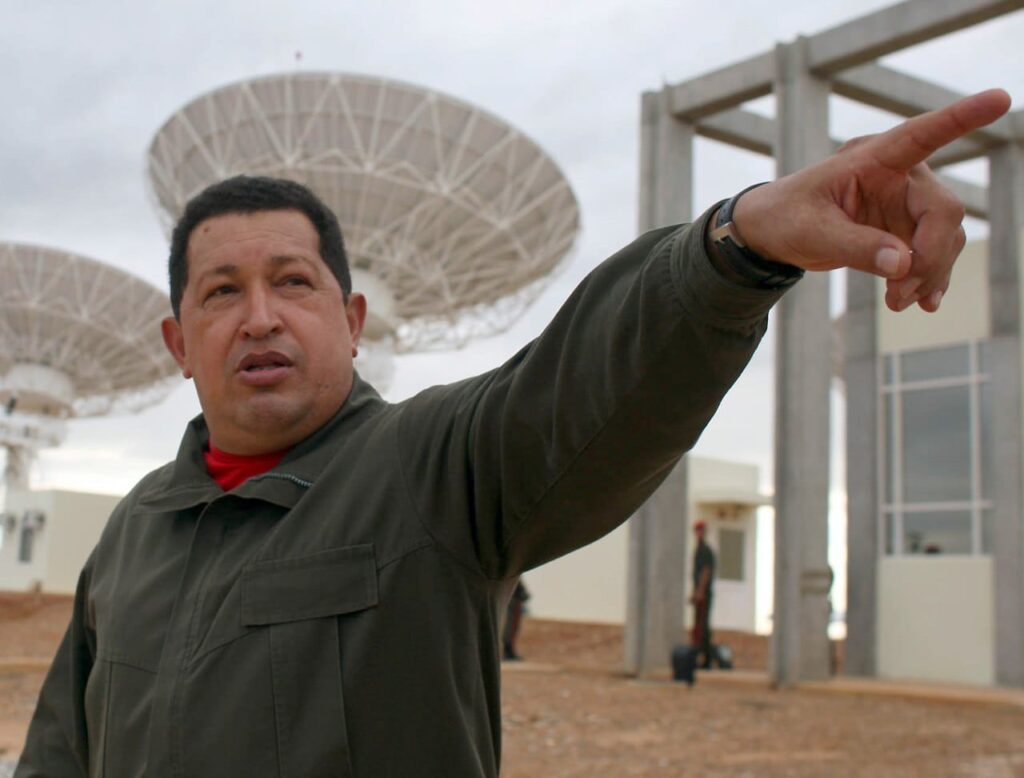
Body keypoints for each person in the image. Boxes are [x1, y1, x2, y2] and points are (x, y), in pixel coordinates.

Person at [15, 89, 1010, 777]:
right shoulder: (135, 531)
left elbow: (583, 385)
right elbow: (62, 749)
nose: (261, 316)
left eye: (294, 281)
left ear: (352, 320)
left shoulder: (432, 469)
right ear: (177, 341)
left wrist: (736, 246)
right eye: (221, 292)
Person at [690, 520, 715, 668]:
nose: (698, 533)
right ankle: (700, 656)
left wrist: (700, 592)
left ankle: (707, 659)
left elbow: (706, 571)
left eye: (701, 530)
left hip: (705, 594)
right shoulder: (698, 549)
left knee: (703, 627)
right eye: (697, 530)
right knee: (698, 627)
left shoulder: (705, 551)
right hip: (700, 593)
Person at [502, 579, 530, 661]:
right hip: (513, 599)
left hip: (514, 598)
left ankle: (508, 649)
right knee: (510, 626)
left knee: (512, 626)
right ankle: (508, 650)